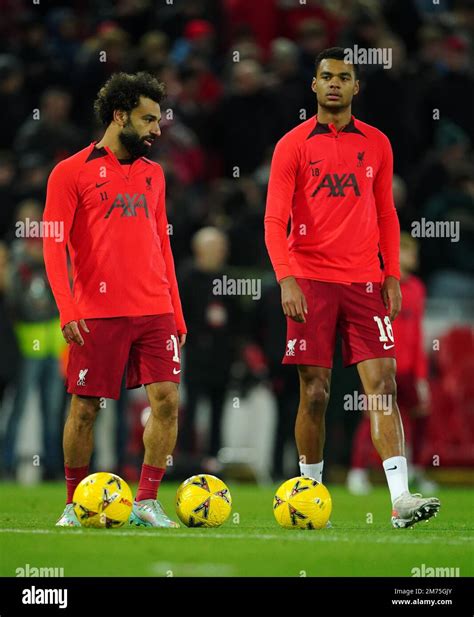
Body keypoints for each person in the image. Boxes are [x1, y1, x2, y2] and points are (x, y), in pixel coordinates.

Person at [264, 47, 440, 528]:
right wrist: (287, 278)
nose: (336, 83)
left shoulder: (377, 144)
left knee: (383, 388)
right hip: (311, 281)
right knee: (315, 392)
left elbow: (386, 213)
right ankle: (310, 493)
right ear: (314, 86)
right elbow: (274, 219)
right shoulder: (292, 145)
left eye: (345, 76)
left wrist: (391, 275)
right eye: (327, 76)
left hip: (364, 282)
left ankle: (401, 500)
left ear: (356, 87)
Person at [43, 72, 186, 528]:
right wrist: (67, 308)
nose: (156, 130)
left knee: (166, 401)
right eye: (148, 120)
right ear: (119, 115)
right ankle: (72, 501)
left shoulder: (154, 175)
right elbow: (53, 245)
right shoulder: (70, 171)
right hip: (97, 313)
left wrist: (176, 314)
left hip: (155, 309)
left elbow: (162, 245)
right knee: (84, 408)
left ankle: (145, 500)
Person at [347, 233, 437, 495]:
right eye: (409, 253)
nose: (414, 258)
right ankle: (358, 472)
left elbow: (418, 333)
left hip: (410, 368)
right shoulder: (376, 285)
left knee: (421, 416)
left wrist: (421, 374)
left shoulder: (418, 289)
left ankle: (417, 471)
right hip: (383, 365)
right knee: (372, 417)